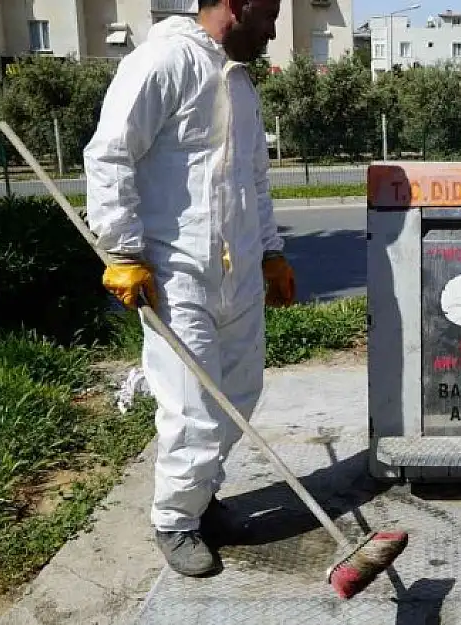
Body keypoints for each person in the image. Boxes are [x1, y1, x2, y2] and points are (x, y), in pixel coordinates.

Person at [83, 0, 295, 577]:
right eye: (269, 14)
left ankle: (201, 499)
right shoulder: (162, 61)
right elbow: (109, 155)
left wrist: (271, 253)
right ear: (238, 4)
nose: (274, 29)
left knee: (239, 395)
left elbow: (254, 178)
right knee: (192, 408)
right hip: (177, 275)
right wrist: (123, 251)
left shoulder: (240, 84)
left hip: (241, 273)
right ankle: (175, 520)